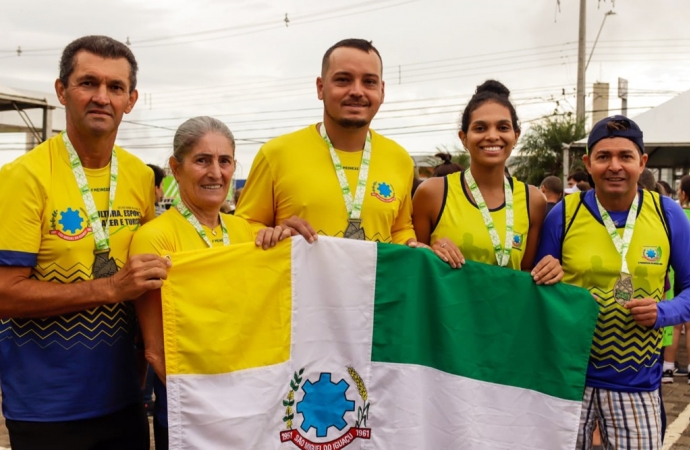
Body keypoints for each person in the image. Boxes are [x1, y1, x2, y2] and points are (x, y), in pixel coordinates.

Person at [0, 35, 167, 450]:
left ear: (131, 100)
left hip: (126, 398)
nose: (101, 97)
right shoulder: (24, 177)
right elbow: (5, 294)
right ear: (61, 91)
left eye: (115, 87)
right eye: (87, 83)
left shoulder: (140, 176)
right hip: (48, 406)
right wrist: (111, 287)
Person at [131, 116, 289, 450]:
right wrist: (211, 400)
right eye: (202, 160)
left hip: (252, 406)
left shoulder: (247, 233)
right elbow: (156, 351)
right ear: (176, 168)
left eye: (224, 161)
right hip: (192, 411)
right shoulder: (154, 238)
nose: (215, 172)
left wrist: (285, 240)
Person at [536, 115, 690, 449]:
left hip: (636, 381)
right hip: (568, 379)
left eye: (625, 156)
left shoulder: (667, 213)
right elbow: (537, 292)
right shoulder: (563, 214)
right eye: (604, 157)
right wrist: (546, 277)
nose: (614, 166)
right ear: (588, 163)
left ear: (642, 162)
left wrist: (663, 313)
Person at [235, 39, 420, 247]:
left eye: (369, 82)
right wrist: (272, 234)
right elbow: (243, 227)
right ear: (320, 88)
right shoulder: (275, 154)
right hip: (298, 280)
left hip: (378, 280)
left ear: (382, 91)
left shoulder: (400, 159)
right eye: (343, 80)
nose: (357, 91)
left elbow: (400, 229)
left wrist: (411, 243)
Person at [412, 79, 561, 285]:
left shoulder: (533, 200)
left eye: (503, 127)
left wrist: (550, 270)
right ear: (464, 138)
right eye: (480, 128)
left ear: (515, 136)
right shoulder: (432, 193)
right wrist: (428, 254)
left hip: (507, 315)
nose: (492, 136)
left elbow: (527, 273)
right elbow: (413, 267)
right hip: (449, 315)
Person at [662, 174, 690, 384]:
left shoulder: (676, 213)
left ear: (683, 193)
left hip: (675, 272)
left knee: (675, 322)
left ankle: (668, 367)